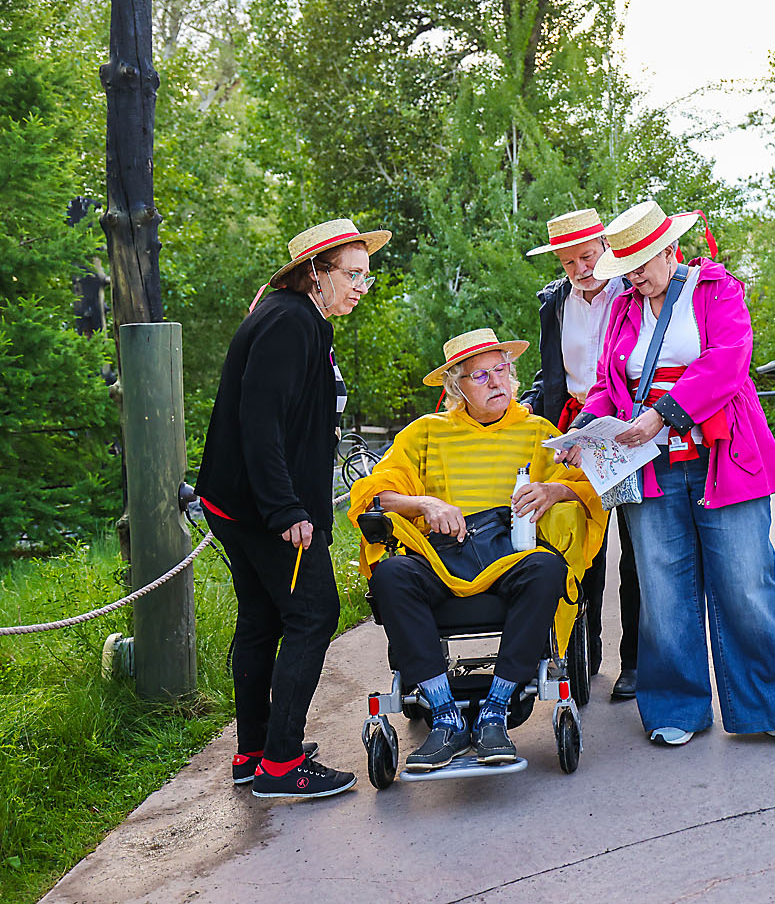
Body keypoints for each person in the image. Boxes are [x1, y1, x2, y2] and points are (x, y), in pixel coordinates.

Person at [558, 200, 775, 753]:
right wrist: (584, 427)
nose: (633, 275)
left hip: (720, 458)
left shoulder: (716, 289)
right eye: (625, 266)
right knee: (663, 591)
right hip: (652, 468)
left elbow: (728, 362)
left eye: (640, 262)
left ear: (666, 248)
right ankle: (676, 706)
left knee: (748, 585)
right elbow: (611, 380)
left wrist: (665, 412)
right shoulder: (625, 309)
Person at [348, 330, 605, 770]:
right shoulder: (426, 434)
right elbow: (375, 496)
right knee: (391, 576)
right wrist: (424, 503)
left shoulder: (538, 433)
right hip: (442, 553)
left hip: (511, 552)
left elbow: (587, 489)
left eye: (501, 370)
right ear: (456, 387)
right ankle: (444, 714)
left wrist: (553, 489)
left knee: (546, 569)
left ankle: (495, 710)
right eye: (480, 375)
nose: (495, 382)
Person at [196, 218, 389, 799]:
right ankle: (281, 765)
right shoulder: (290, 322)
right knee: (313, 614)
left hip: (235, 502)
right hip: (264, 510)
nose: (360, 285)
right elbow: (260, 422)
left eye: (367, 277)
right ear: (316, 272)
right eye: (351, 274)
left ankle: (253, 753)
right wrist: (285, 509)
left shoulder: (294, 317)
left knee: (261, 618)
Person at [525, 208, 641, 701]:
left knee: (637, 552)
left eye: (587, 256)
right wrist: (524, 408)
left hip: (627, 428)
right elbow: (550, 374)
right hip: (573, 434)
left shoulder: (633, 293)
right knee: (581, 549)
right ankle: (583, 654)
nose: (580, 268)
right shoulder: (554, 303)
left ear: (606, 248)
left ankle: (634, 663)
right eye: (569, 261)